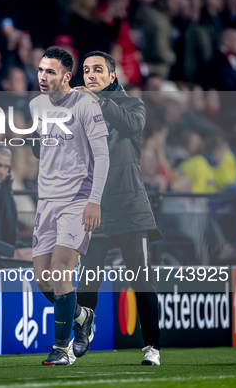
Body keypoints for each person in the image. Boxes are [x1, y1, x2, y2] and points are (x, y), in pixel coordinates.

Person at [73, 50, 162, 365]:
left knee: (141, 277)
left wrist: (97, 103)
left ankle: (151, 347)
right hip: (96, 210)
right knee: (88, 280)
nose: (90, 75)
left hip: (130, 208)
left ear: (113, 76)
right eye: (86, 70)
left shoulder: (131, 105)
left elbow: (128, 125)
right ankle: (83, 330)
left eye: (98, 70)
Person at [30, 47, 109, 366]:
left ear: (66, 76)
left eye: (50, 72)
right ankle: (82, 317)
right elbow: (43, 149)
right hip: (45, 200)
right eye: (40, 70)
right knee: (42, 280)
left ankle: (61, 349)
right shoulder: (36, 104)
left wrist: (94, 201)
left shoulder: (86, 104)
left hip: (77, 199)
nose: (42, 77)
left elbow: (102, 156)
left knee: (61, 272)